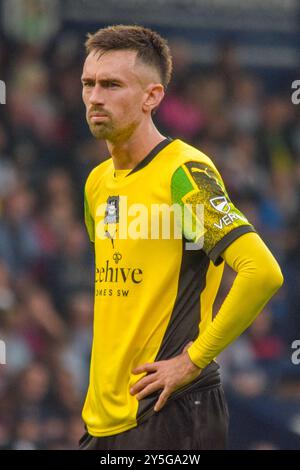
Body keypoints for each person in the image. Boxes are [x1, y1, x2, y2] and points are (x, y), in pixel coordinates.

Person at [79, 25, 283, 450]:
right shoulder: (96, 184)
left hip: (172, 410)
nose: (95, 97)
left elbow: (261, 272)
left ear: (152, 96)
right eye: (89, 84)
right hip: (104, 420)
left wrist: (192, 360)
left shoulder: (183, 174)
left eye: (112, 85)